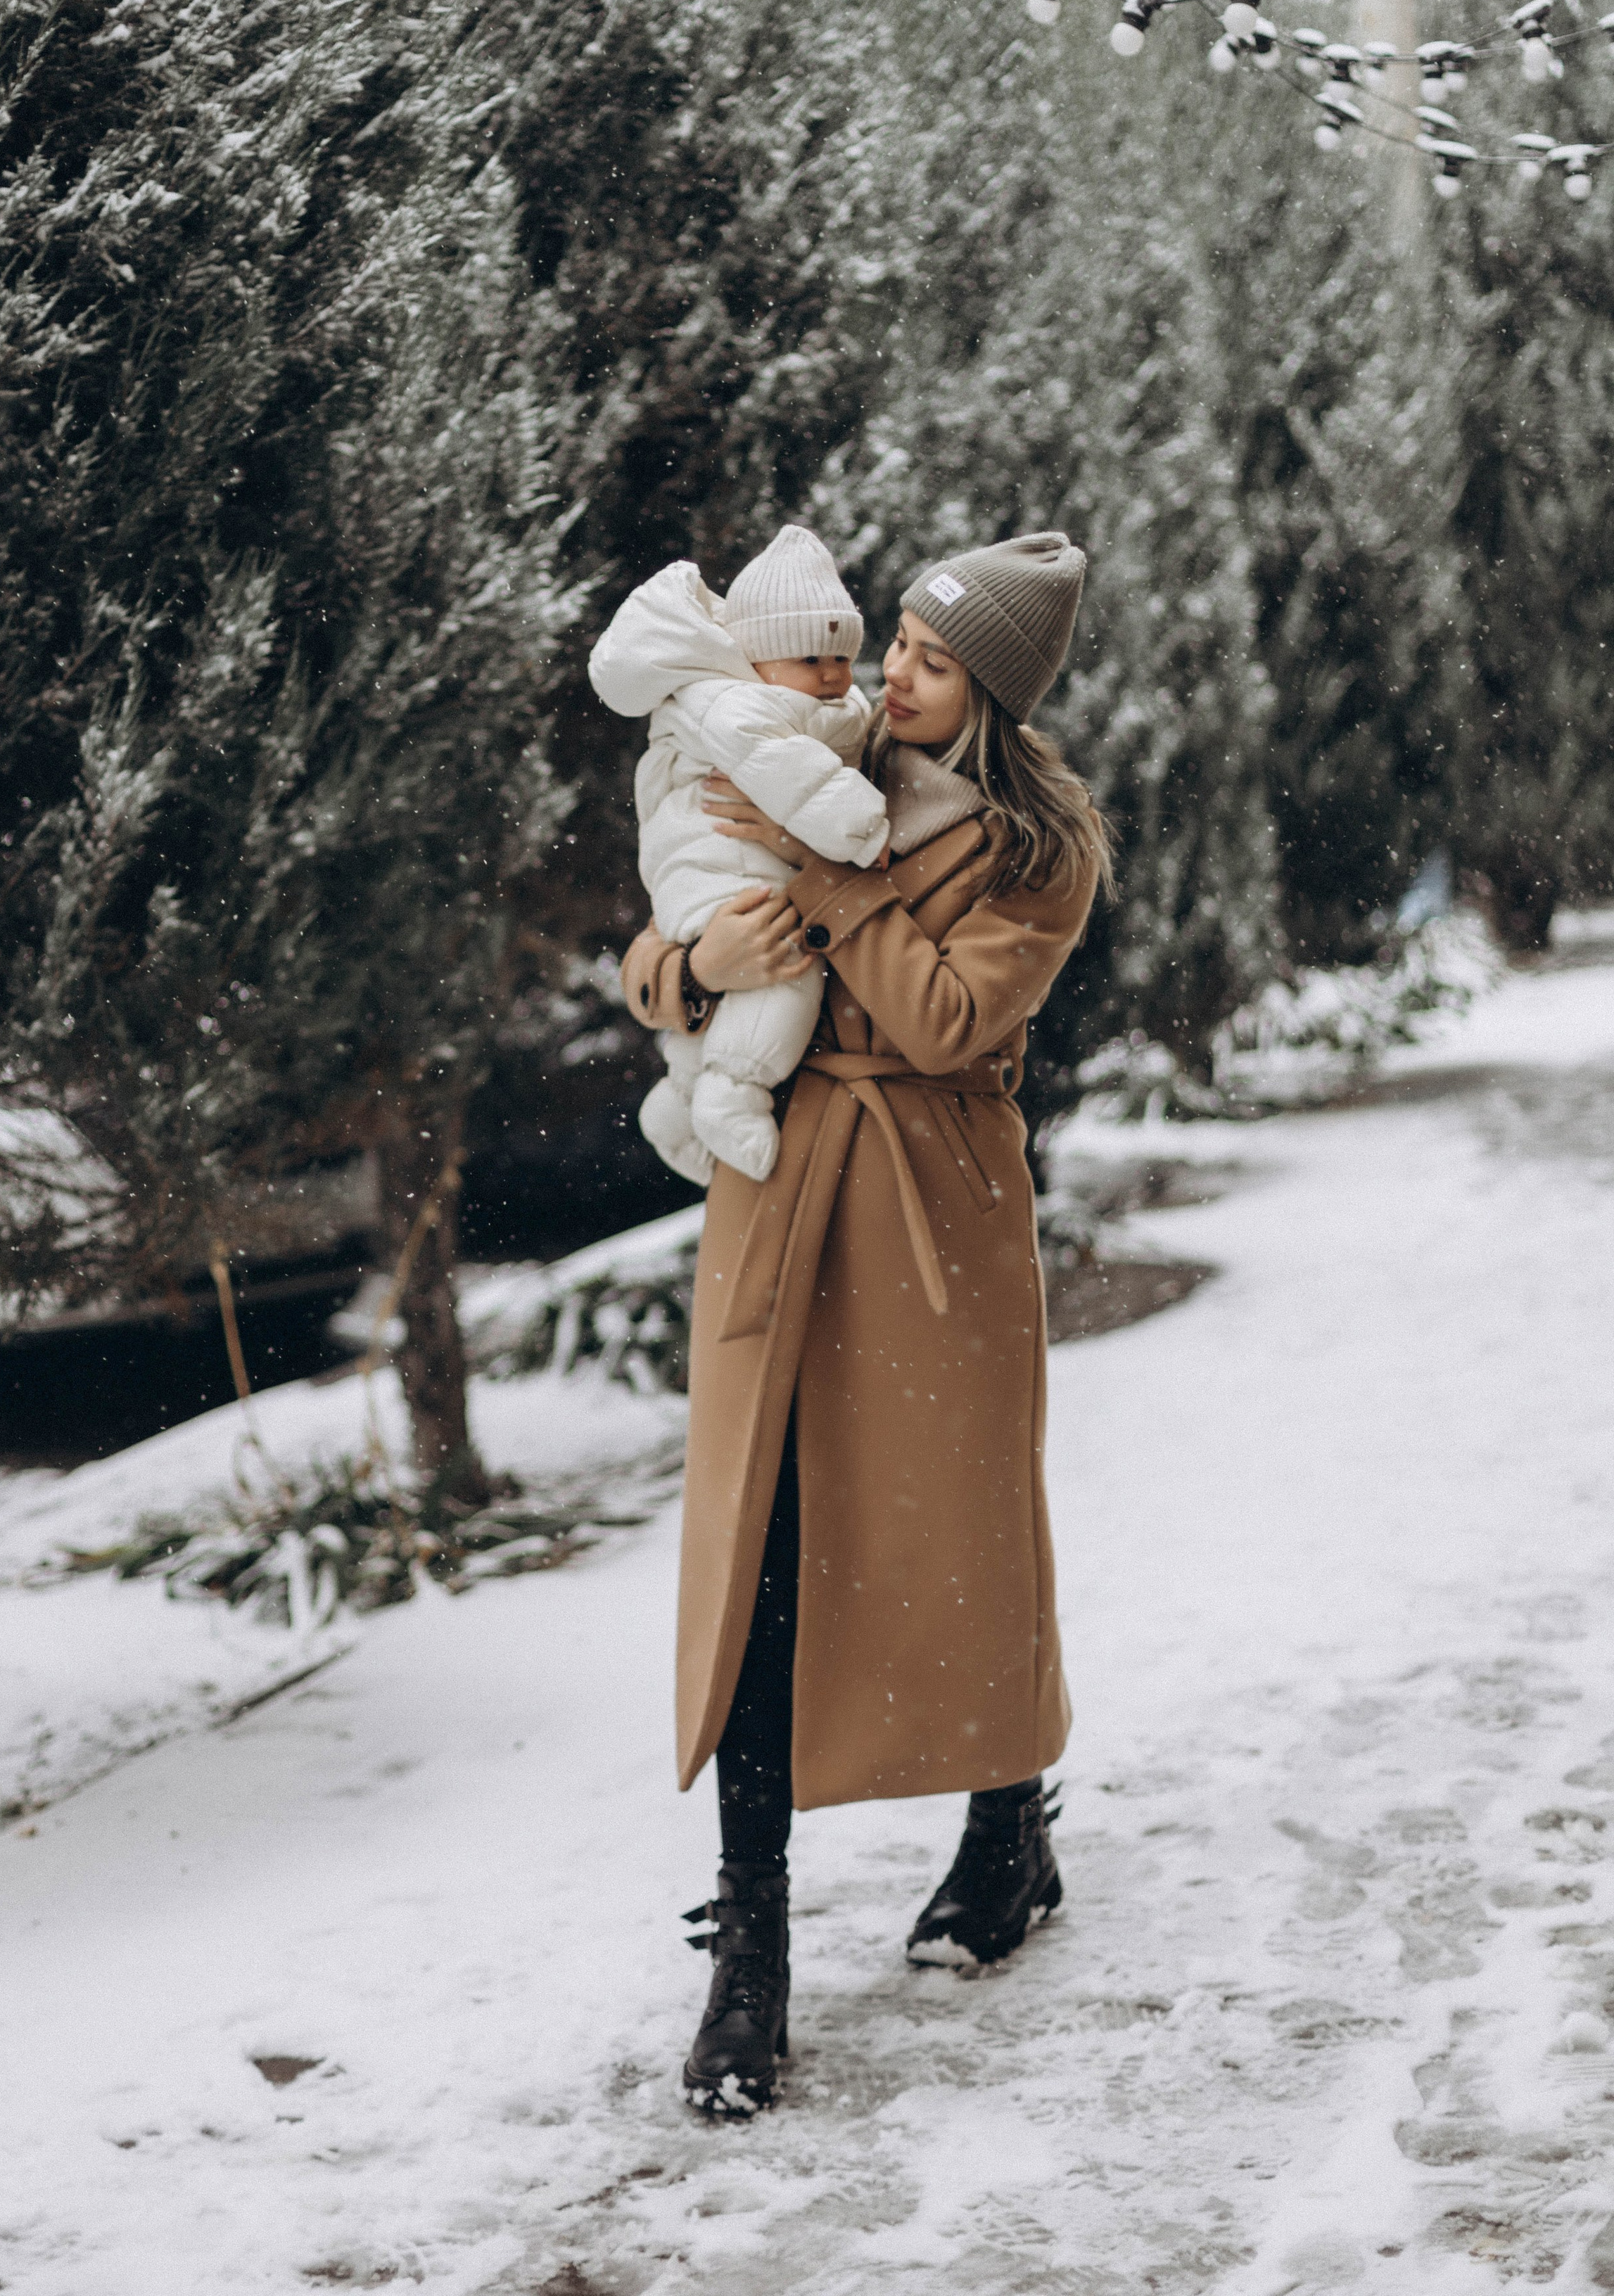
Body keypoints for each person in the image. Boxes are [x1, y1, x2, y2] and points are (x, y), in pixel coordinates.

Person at [619, 530, 1114, 2117]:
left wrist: (824, 881)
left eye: (931, 661)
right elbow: (662, 933)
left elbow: (945, 1018)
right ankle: (750, 1948)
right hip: (776, 1202)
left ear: (993, 697)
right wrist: (694, 964)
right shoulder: (803, 746)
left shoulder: (1040, 851)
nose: (890, 673)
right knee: (762, 1562)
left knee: (958, 1533)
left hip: (929, 1206)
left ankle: (1007, 1829)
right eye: (894, 639)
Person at [589, 526, 888, 1186]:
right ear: (756, 659)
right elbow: (802, 780)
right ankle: (731, 1090)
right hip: (721, 874)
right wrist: (860, 827)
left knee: (747, 985)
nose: (834, 674)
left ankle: (678, 1099)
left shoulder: (805, 706)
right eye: (811, 658)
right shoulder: (736, 706)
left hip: (712, 879)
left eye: (844, 657)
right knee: (785, 971)